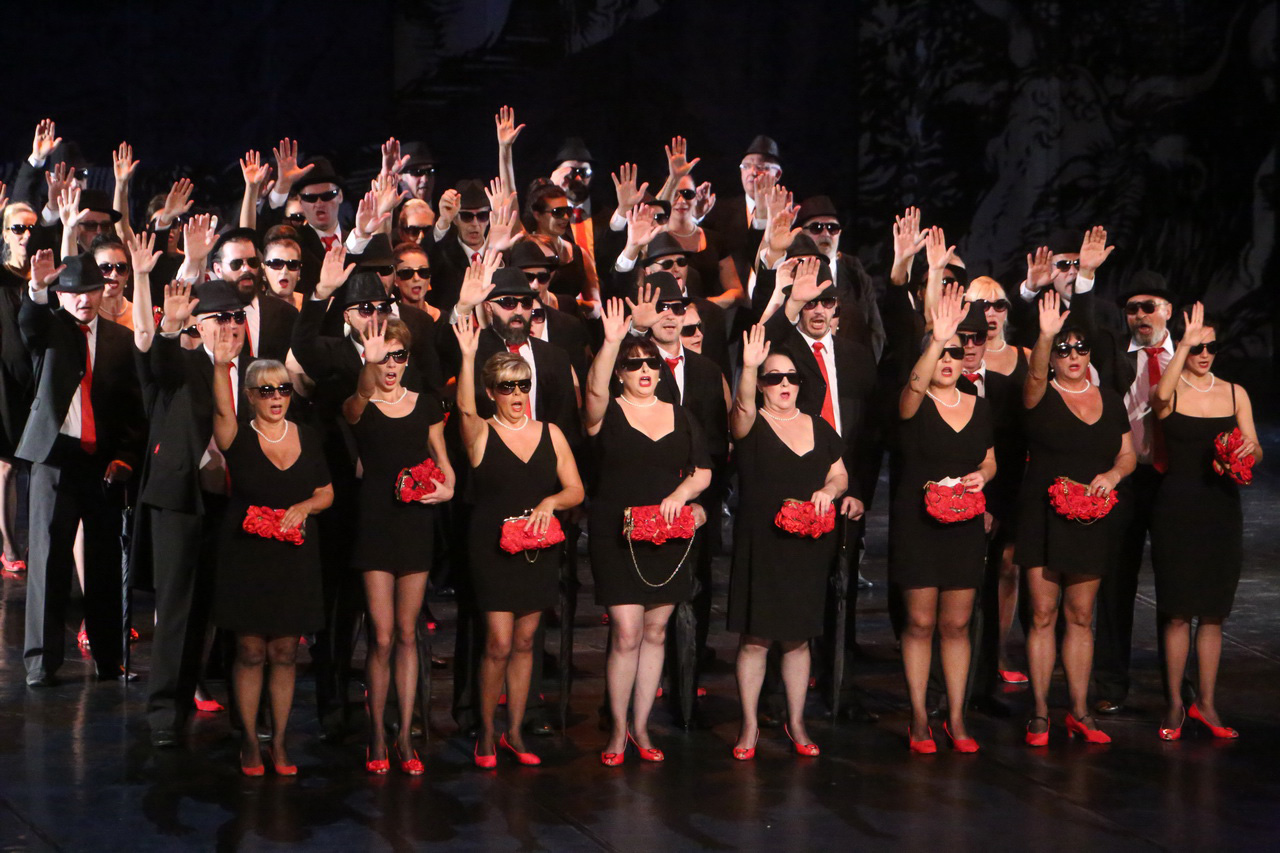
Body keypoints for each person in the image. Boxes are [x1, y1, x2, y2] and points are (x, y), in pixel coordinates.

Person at [452, 315, 585, 767]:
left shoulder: (551, 433)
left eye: (522, 386)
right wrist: (467, 356)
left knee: (526, 642)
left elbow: (576, 489)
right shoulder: (481, 433)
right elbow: (464, 411)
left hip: (537, 549)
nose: (516, 395)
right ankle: (487, 733)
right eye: (506, 387)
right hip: (491, 548)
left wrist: (551, 501)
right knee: (498, 643)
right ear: (492, 392)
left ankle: (515, 731)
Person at [585, 298, 711, 766]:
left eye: (651, 364)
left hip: (667, 536)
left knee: (656, 632)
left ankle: (641, 726)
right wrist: (611, 342)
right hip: (616, 534)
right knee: (626, 631)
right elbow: (592, 394)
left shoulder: (680, 415)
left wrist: (682, 495)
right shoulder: (607, 411)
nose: (643, 370)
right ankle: (617, 729)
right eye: (633, 364)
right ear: (620, 373)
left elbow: (703, 470)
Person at [17, 253, 143, 687]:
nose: (83, 300)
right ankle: (41, 663)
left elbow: (133, 410)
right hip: (55, 458)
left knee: (105, 563)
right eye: (72, 293)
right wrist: (36, 290)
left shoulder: (121, 339)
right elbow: (29, 323)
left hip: (102, 463)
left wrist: (126, 457)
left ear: (102, 291)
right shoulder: (50, 328)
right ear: (60, 295)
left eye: (90, 290)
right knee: (48, 561)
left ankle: (110, 660)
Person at [1016, 290, 1135, 746]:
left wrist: (1113, 475)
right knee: (1043, 613)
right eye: (1063, 349)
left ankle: (1080, 710)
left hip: (1091, 516)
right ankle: (1040, 711)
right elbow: (1033, 374)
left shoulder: (1109, 399)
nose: (1072, 356)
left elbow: (1127, 454)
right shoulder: (1040, 393)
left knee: (1081, 615)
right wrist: (1045, 336)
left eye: (1080, 348)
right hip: (1043, 514)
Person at [141, 278, 257, 746]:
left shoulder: (257, 375)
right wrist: (170, 327)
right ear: (200, 325)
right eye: (220, 318)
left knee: (216, 607)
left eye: (237, 317)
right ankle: (164, 712)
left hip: (234, 501)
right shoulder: (186, 365)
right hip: (182, 499)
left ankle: (220, 702)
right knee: (177, 607)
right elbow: (159, 365)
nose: (230, 326)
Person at [209, 343, 333, 776]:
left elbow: (326, 492)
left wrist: (305, 507)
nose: (276, 397)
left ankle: (279, 742)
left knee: (284, 650)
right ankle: (249, 740)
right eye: (266, 391)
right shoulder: (237, 436)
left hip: (294, 556)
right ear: (250, 396)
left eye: (282, 389)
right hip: (247, 555)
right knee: (250, 650)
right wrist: (220, 364)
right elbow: (220, 410)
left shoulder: (307, 435)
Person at [728, 325, 851, 759]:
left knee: (799, 639)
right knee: (756, 639)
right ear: (762, 385)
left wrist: (829, 491)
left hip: (807, 547)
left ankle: (796, 722)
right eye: (773, 377)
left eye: (791, 377)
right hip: (763, 544)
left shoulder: (818, 426)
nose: (784, 384)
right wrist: (748, 368)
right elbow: (741, 406)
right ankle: (748, 724)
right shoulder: (751, 423)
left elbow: (840, 474)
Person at [344, 315, 455, 775]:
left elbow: (444, 463)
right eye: (384, 357)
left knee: (409, 634)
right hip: (374, 523)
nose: (391, 365)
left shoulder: (425, 404)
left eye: (398, 356)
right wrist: (367, 366)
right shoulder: (361, 404)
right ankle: (376, 734)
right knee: (383, 635)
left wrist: (447, 489)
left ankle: (406, 734)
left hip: (415, 523)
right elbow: (356, 401)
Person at [890, 288, 996, 753]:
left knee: (957, 624)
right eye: (941, 352)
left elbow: (990, 460)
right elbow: (913, 391)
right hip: (918, 524)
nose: (949, 359)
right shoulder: (913, 401)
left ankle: (956, 716)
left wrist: (982, 476)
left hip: (964, 524)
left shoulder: (978, 404)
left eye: (955, 352)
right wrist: (937, 337)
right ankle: (918, 716)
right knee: (919, 622)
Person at [1149, 303, 1260, 740]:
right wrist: (1183, 347)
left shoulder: (1234, 393)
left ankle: (1207, 703)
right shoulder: (1172, 390)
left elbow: (1256, 447)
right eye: (1197, 348)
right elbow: (1159, 400)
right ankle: (1174, 703)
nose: (1204, 354)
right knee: (1178, 612)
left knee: (1213, 614)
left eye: (1211, 347)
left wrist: (1248, 451)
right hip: (1177, 510)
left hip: (1221, 511)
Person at [1094, 271, 1179, 716]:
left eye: (1149, 307)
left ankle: (1177, 686)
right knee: (1114, 582)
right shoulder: (1112, 356)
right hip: (1125, 476)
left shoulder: (1190, 354)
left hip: (1172, 481)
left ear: (1168, 311)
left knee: (1176, 583)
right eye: (1132, 309)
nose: (1141, 315)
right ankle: (1110, 681)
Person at [0, 202, 38, 573]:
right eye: (17, 228)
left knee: (41, 467)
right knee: (7, 467)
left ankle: (38, 543)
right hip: (6, 383)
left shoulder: (43, 276)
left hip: (40, 381)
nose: (26, 235)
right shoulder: (2, 276)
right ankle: (10, 548)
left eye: (31, 229)